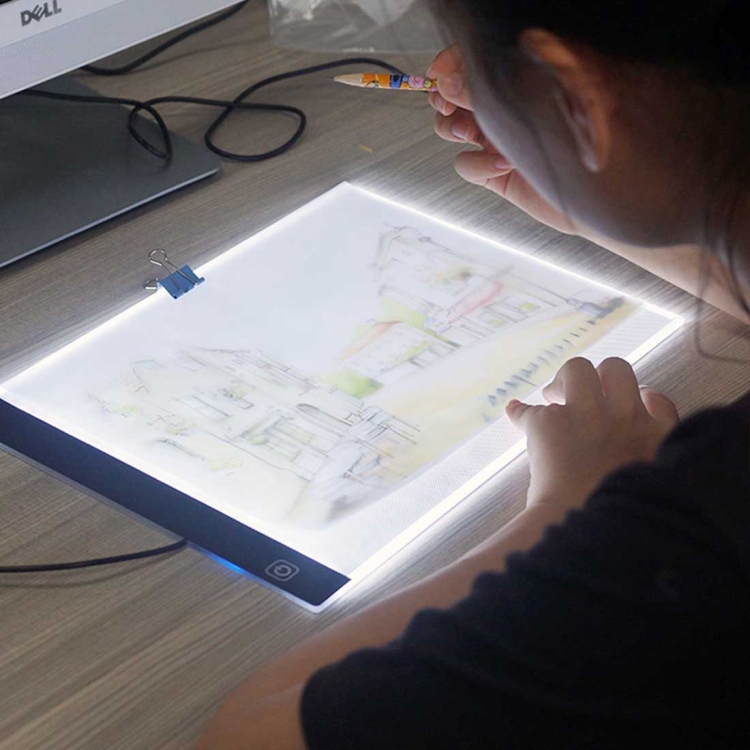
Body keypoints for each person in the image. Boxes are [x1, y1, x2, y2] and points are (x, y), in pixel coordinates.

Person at [198, 2, 750, 747]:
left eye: (467, 52)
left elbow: (246, 735)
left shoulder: (701, 526)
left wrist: (574, 500)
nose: (452, 75)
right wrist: (596, 186)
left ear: (577, 96)